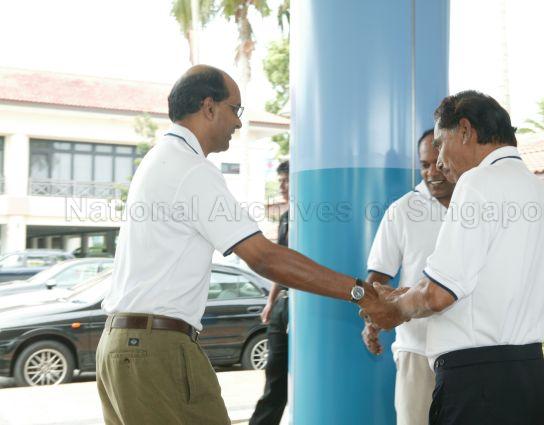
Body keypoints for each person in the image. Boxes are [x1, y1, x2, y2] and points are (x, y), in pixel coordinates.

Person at [96, 65, 381, 425]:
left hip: (125, 348)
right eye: (236, 109)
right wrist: (360, 292)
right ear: (209, 106)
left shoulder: (159, 158)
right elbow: (262, 257)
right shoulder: (190, 168)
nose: (239, 123)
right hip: (155, 351)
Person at [362, 90, 544, 425]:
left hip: (479, 387)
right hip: (533, 379)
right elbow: (485, 283)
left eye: (440, 143)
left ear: (466, 130)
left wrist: (394, 309)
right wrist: (410, 293)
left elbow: (441, 294)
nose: (439, 162)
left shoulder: (477, 182)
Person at [361, 129, 454, 425]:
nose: (431, 172)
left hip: (470, 352)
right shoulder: (402, 210)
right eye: (424, 165)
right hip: (418, 349)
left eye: (437, 163)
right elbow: (377, 278)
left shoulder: (477, 206)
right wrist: (373, 317)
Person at [249, 160, 290, 425]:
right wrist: (270, 301)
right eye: (280, 182)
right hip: (282, 305)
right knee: (274, 374)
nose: (283, 187)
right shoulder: (286, 217)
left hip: (304, 304)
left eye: (287, 180)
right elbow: (282, 262)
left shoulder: (314, 215)